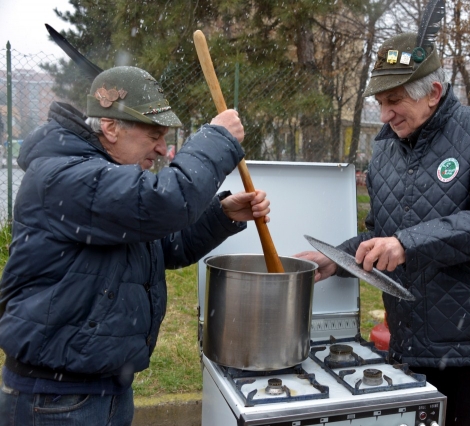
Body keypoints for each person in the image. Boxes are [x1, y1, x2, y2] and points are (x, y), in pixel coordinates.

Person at [0, 66, 270, 426]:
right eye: (154, 135)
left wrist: (221, 215)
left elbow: (167, 246)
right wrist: (217, 138)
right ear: (110, 127)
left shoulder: (104, 181)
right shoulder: (66, 175)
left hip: (100, 389)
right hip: (53, 400)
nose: (161, 149)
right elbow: (168, 202)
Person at [296, 32, 470, 426]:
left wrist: (406, 243)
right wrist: (335, 258)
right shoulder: (385, 148)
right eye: (380, 102)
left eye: (395, 101)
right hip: (411, 347)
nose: (385, 114)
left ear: (434, 92)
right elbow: (382, 233)